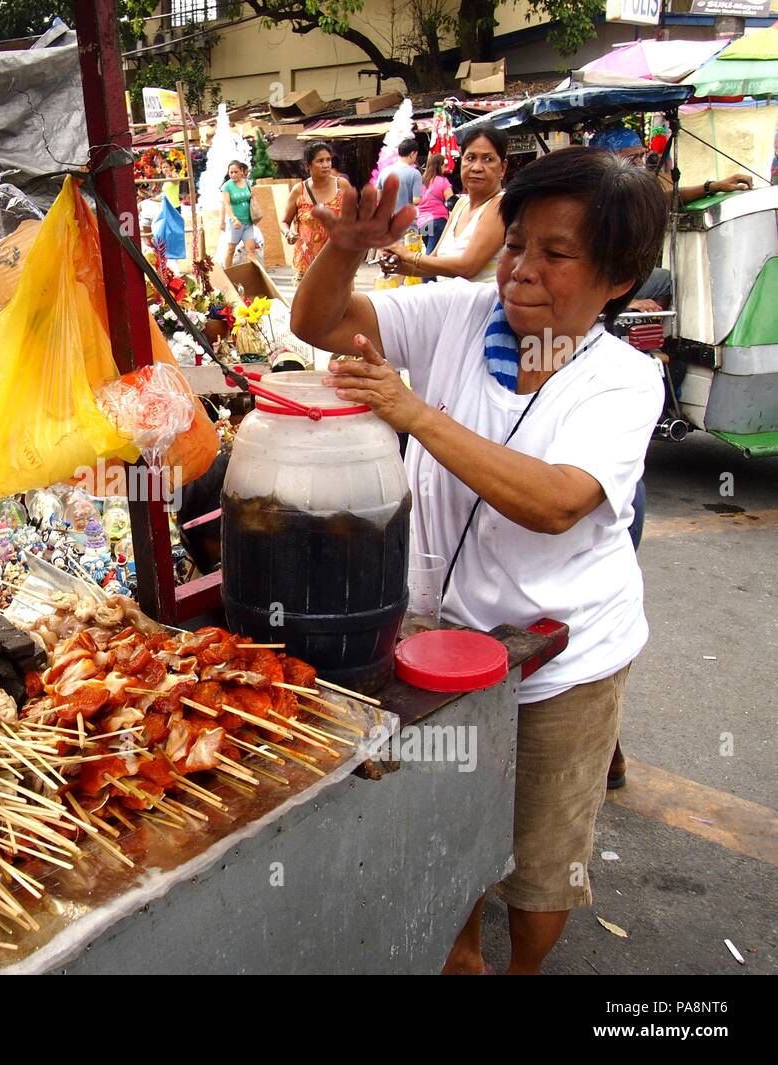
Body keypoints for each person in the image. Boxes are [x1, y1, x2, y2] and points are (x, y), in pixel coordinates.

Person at [292, 147, 666, 974]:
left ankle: (522, 966)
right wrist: (347, 245)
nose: (522, 270)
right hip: (443, 647)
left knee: (539, 859)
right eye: (516, 244)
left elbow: (557, 499)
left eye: (556, 254)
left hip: (560, 662)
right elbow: (317, 324)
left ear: (617, 277)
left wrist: (413, 411)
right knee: (450, 818)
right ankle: (462, 955)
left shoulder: (624, 380)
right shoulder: (460, 313)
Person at [382, 129, 509, 283]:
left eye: (488, 159)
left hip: (482, 306)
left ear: (502, 168)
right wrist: (398, 266)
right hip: (450, 301)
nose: (476, 167)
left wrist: (408, 255)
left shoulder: (500, 206)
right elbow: (434, 261)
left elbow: (467, 267)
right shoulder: (461, 204)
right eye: (470, 158)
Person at [589, 127, 753, 205]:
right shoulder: (593, 196)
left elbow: (664, 199)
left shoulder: (636, 189)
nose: (639, 163)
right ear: (606, 159)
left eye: (641, 155)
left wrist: (714, 186)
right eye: (632, 158)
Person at [281, 141, 345, 280]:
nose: (326, 165)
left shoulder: (341, 185)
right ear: (307, 165)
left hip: (338, 261)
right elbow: (284, 221)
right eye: (320, 161)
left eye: (328, 160)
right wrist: (288, 233)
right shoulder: (299, 190)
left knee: (340, 302)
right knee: (309, 302)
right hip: (307, 264)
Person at [220, 160, 262, 269]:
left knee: (251, 250)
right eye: (231, 172)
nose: (233, 175)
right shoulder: (227, 186)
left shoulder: (247, 183)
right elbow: (227, 204)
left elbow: (251, 198)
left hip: (248, 222)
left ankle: (255, 276)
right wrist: (233, 219)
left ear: (241, 171)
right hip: (236, 224)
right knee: (231, 249)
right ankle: (227, 273)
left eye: (235, 172)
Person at [416, 151, 455, 255]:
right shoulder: (443, 181)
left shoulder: (421, 181)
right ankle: (423, 270)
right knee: (432, 252)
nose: (445, 168)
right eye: (444, 165)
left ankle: (425, 268)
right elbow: (451, 202)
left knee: (429, 247)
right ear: (439, 166)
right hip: (438, 220)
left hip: (422, 222)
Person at [377, 138, 423, 217]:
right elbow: (416, 200)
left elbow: (378, 196)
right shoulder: (415, 173)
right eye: (416, 154)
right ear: (412, 154)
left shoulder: (384, 171)